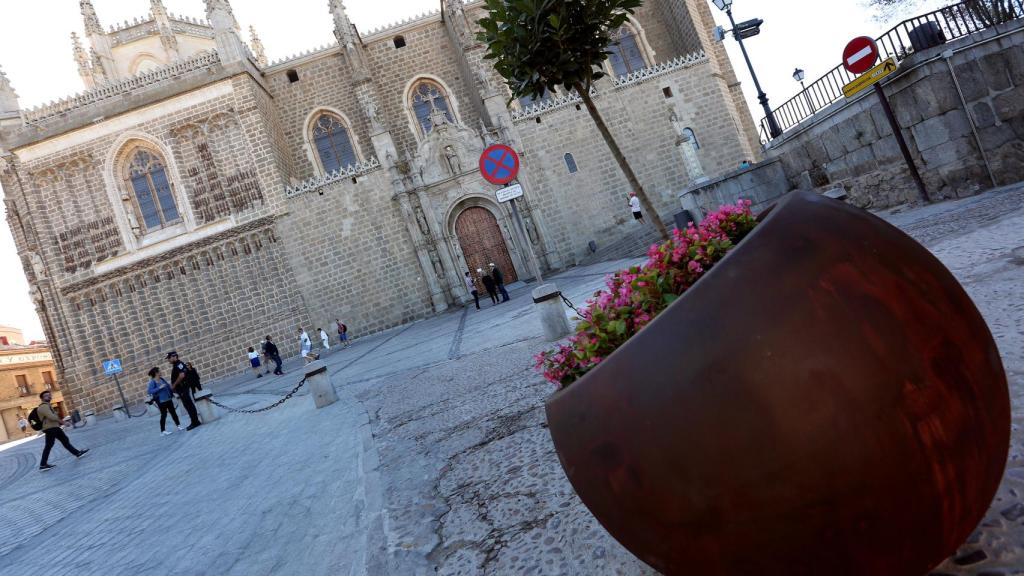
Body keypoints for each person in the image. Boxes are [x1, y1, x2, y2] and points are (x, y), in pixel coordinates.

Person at [36, 391, 88, 471]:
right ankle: (77, 453)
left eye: (50, 395)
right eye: (46, 396)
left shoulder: (46, 406)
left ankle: (43, 464)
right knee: (64, 440)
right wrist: (63, 422)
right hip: (51, 428)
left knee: (50, 445)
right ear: (42, 398)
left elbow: (51, 417)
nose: (49, 397)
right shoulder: (43, 407)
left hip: (51, 428)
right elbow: (51, 417)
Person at [167, 351, 201, 430]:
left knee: (189, 405)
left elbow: (182, 375)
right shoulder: (176, 365)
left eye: (169, 358)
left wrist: (174, 385)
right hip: (181, 389)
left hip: (183, 388)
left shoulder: (179, 364)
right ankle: (194, 421)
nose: (168, 360)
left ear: (174, 356)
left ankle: (195, 422)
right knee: (187, 405)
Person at [147, 367, 184, 436]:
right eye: (159, 371)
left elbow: (168, 386)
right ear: (156, 373)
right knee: (164, 415)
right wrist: (159, 388)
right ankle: (163, 431)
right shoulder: (153, 382)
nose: (161, 372)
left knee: (173, 413)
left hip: (168, 399)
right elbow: (149, 391)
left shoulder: (162, 379)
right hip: (161, 401)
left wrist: (173, 392)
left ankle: (179, 425)